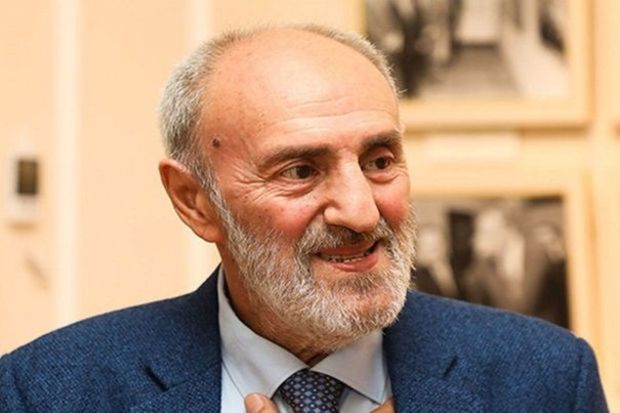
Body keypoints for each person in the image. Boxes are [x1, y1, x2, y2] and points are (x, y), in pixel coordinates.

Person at [0, 24, 608, 413]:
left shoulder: (545, 380)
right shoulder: (49, 392)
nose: (361, 211)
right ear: (194, 201)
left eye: (379, 160)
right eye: (300, 171)